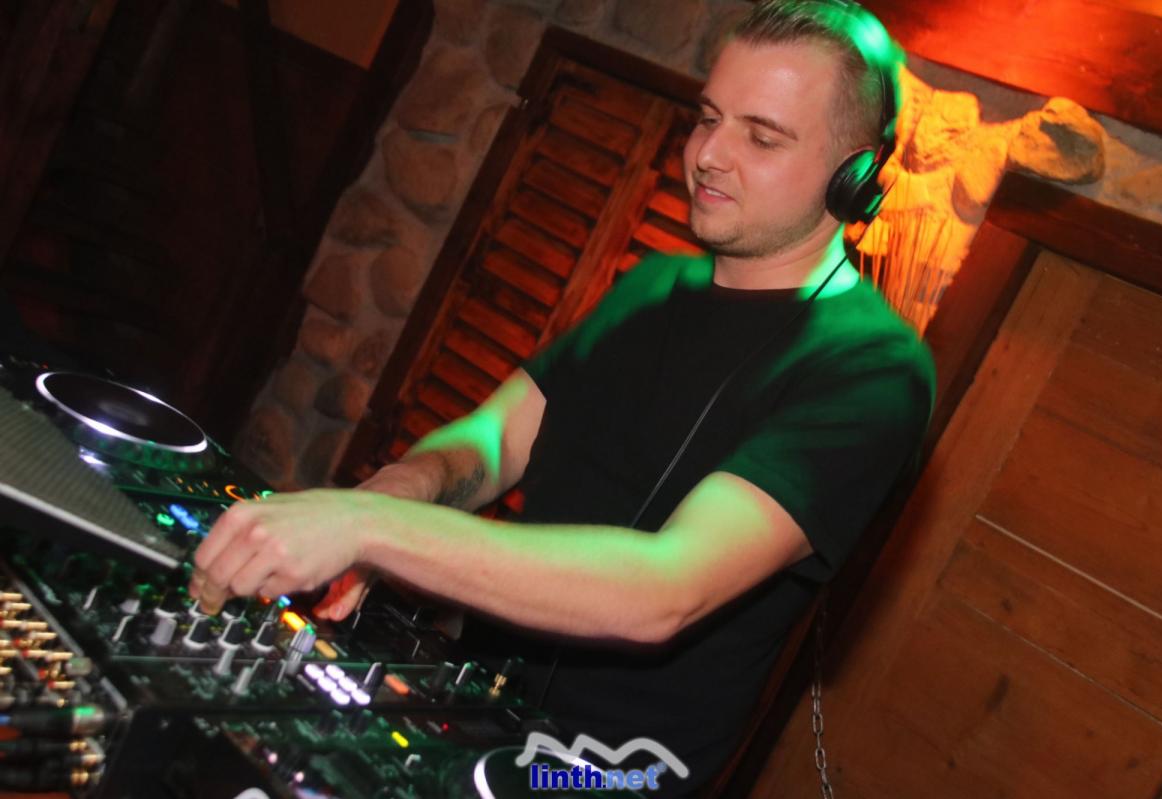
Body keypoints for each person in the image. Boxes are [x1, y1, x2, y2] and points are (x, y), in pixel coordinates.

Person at [190, 1, 934, 794]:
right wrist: (392, 495)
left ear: (855, 176)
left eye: (762, 136)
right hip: (473, 713)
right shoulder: (653, 286)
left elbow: (665, 589)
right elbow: (495, 438)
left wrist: (371, 528)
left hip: (598, 778)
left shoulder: (872, 372)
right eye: (709, 118)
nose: (709, 155)